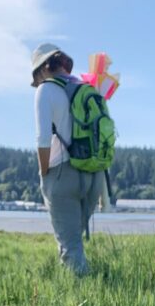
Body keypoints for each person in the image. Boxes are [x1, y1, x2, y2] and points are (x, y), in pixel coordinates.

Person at [32, 43, 105, 275]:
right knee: (74, 242)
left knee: (70, 246)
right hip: (94, 175)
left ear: (43, 68)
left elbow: (43, 139)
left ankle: (81, 303)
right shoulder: (87, 88)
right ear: (64, 63)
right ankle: (88, 285)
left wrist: (44, 173)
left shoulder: (45, 90)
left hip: (63, 174)